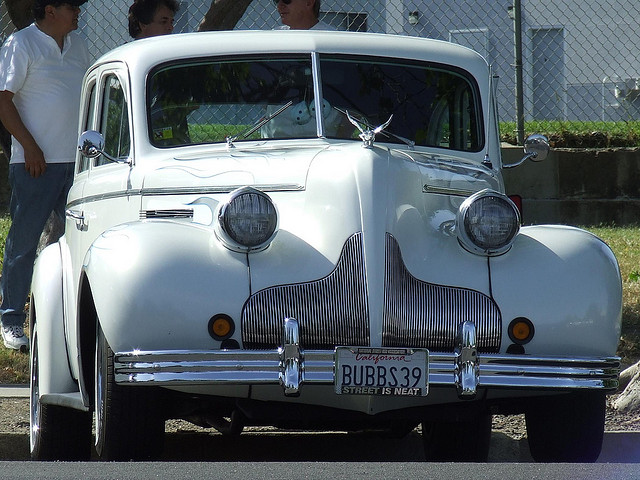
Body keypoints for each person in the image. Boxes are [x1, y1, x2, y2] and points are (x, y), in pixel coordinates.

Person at [0, 0, 90, 352]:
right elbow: (3, 100)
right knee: (22, 246)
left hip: (79, 166)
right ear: (50, 9)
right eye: (72, 6)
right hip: (34, 165)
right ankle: (10, 322)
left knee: (77, 246)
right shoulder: (20, 44)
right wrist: (31, 148)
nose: (79, 12)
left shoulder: (79, 45)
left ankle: (65, 320)